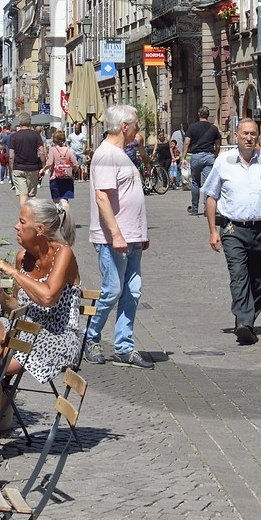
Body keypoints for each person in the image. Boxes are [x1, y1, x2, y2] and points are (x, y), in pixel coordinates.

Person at [0, 197, 81, 473]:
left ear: (39, 229)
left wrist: (13, 273)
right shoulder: (22, 258)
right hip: (26, 331)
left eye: (21, 222)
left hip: (56, 337)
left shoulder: (63, 254)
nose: (16, 227)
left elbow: (48, 297)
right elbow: (17, 307)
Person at [201, 118, 261, 345]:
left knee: (259, 280)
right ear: (236, 136)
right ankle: (243, 323)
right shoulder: (223, 161)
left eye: (253, 134)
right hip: (233, 229)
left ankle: (247, 320)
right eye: (245, 134)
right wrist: (212, 230)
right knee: (239, 275)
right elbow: (211, 196)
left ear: (258, 136)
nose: (249, 138)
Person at [83, 103, 151, 368]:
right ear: (124, 127)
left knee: (132, 291)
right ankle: (91, 338)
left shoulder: (121, 154)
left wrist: (140, 232)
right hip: (113, 238)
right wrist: (116, 234)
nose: (138, 130)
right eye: (135, 125)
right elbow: (102, 198)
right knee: (112, 290)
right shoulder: (106, 155)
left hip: (132, 235)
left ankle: (124, 347)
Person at [181, 107, 222, 216]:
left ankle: (194, 208)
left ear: (199, 114)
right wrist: (215, 155)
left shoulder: (192, 127)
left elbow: (186, 142)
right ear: (208, 115)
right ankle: (207, 209)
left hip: (196, 156)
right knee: (208, 183)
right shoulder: (214, 128)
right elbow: (218, 144)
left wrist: (183, 157)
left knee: (195, 182)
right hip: (209, 156)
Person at [5, 115, 45, 197]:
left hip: (18, 168)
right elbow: (42, 152)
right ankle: (30, 205)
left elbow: (11, 155)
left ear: (19, 123)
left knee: (22, 194)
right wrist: (43, 167)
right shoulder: (36, 135)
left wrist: (12, 168)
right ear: (30, 123)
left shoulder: (14, 136)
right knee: (31, 195)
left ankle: (23, 205)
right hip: (33, 168)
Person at [42, 128, 79, 209]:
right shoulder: (68, 150)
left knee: (56, 198)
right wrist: (73, 172)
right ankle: (65, 209)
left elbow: (50, 163)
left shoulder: (52, 150)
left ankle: (59, 209)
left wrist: (43, 169)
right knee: (65, 198)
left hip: (55, 177)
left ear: (54, 140)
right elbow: (76, 164)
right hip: (67, 178)